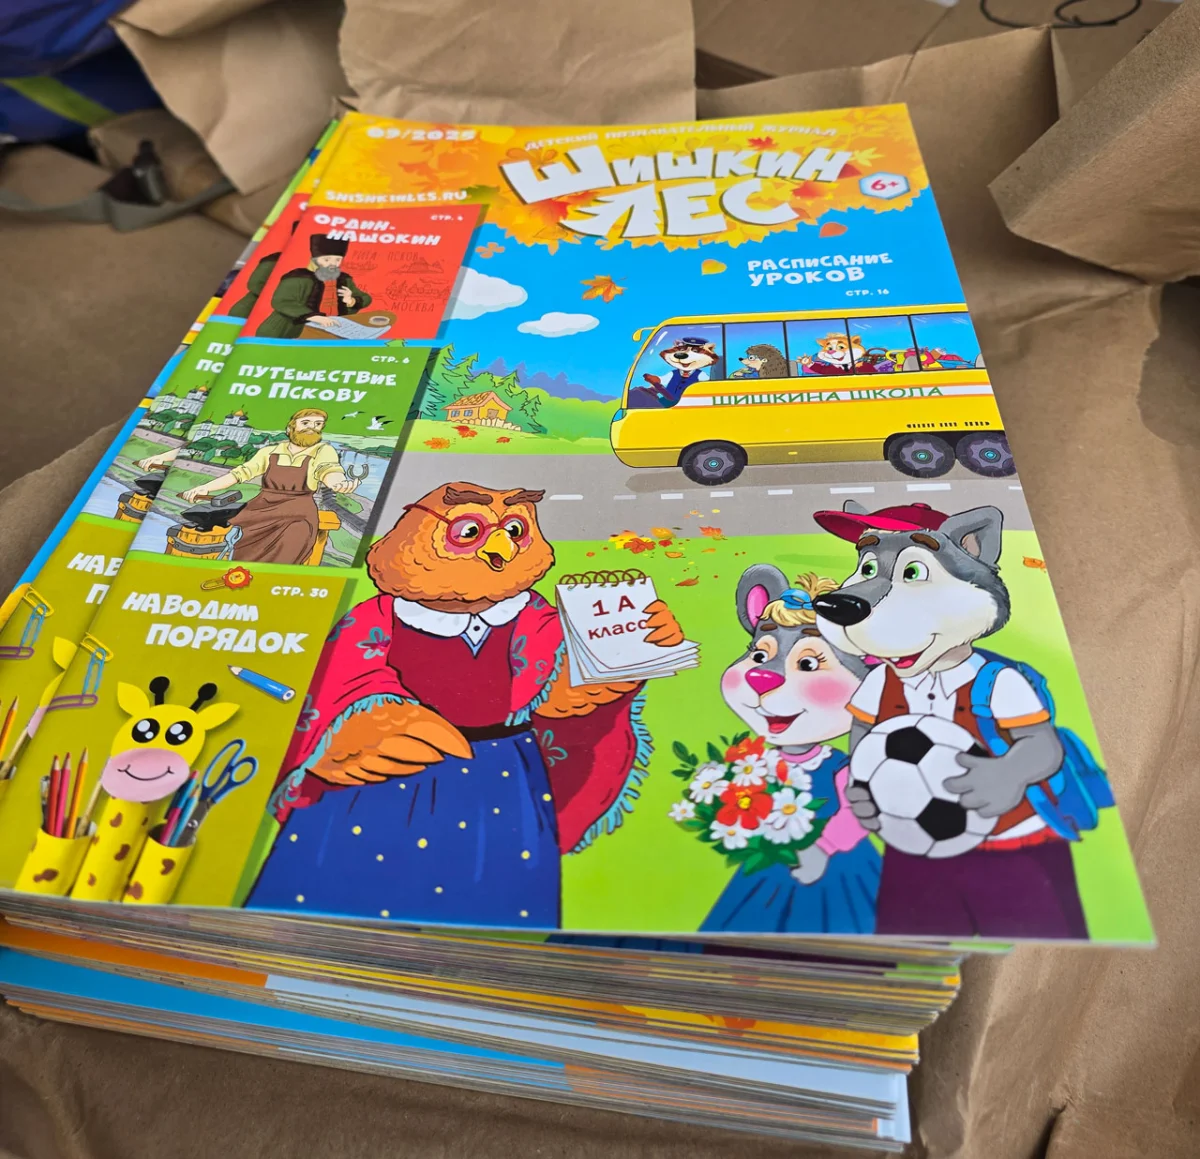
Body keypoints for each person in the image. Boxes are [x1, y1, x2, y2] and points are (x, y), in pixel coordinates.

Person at [180, 408, 358, 565]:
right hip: (260, 509)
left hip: (297, 512)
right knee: (239, 543)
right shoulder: (269, 451)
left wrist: (339, 483)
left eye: (318, 424)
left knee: (293, 538)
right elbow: (239, 474)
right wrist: (206, 488)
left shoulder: (323, 451)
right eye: (306, 423)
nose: (312, 427)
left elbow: (328, 471)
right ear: (291, 427)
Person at [254, 234, 372, 339]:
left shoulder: (343, 279)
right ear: (314, 260)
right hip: (289, 331)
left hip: (331, 330)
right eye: (326, 259)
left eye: (338, 260)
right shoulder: (298, 278)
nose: (333, 264)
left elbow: (365, 298)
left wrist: (351, 301)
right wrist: (315, 317)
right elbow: (282, 302)